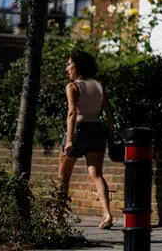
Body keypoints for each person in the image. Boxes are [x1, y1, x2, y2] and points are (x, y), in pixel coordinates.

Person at [58, 51, 116, 230]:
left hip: (79, 130)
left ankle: (59, 215)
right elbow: (109, 113)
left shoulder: (72, 86)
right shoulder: (99, 86)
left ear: (77, 67)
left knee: (63, 176)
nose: (67, 68)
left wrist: (69, 140)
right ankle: (107, 213)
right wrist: (112, 135)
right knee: (96, 174)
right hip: (97, 130)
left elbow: (72, 112)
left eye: (69, 64)